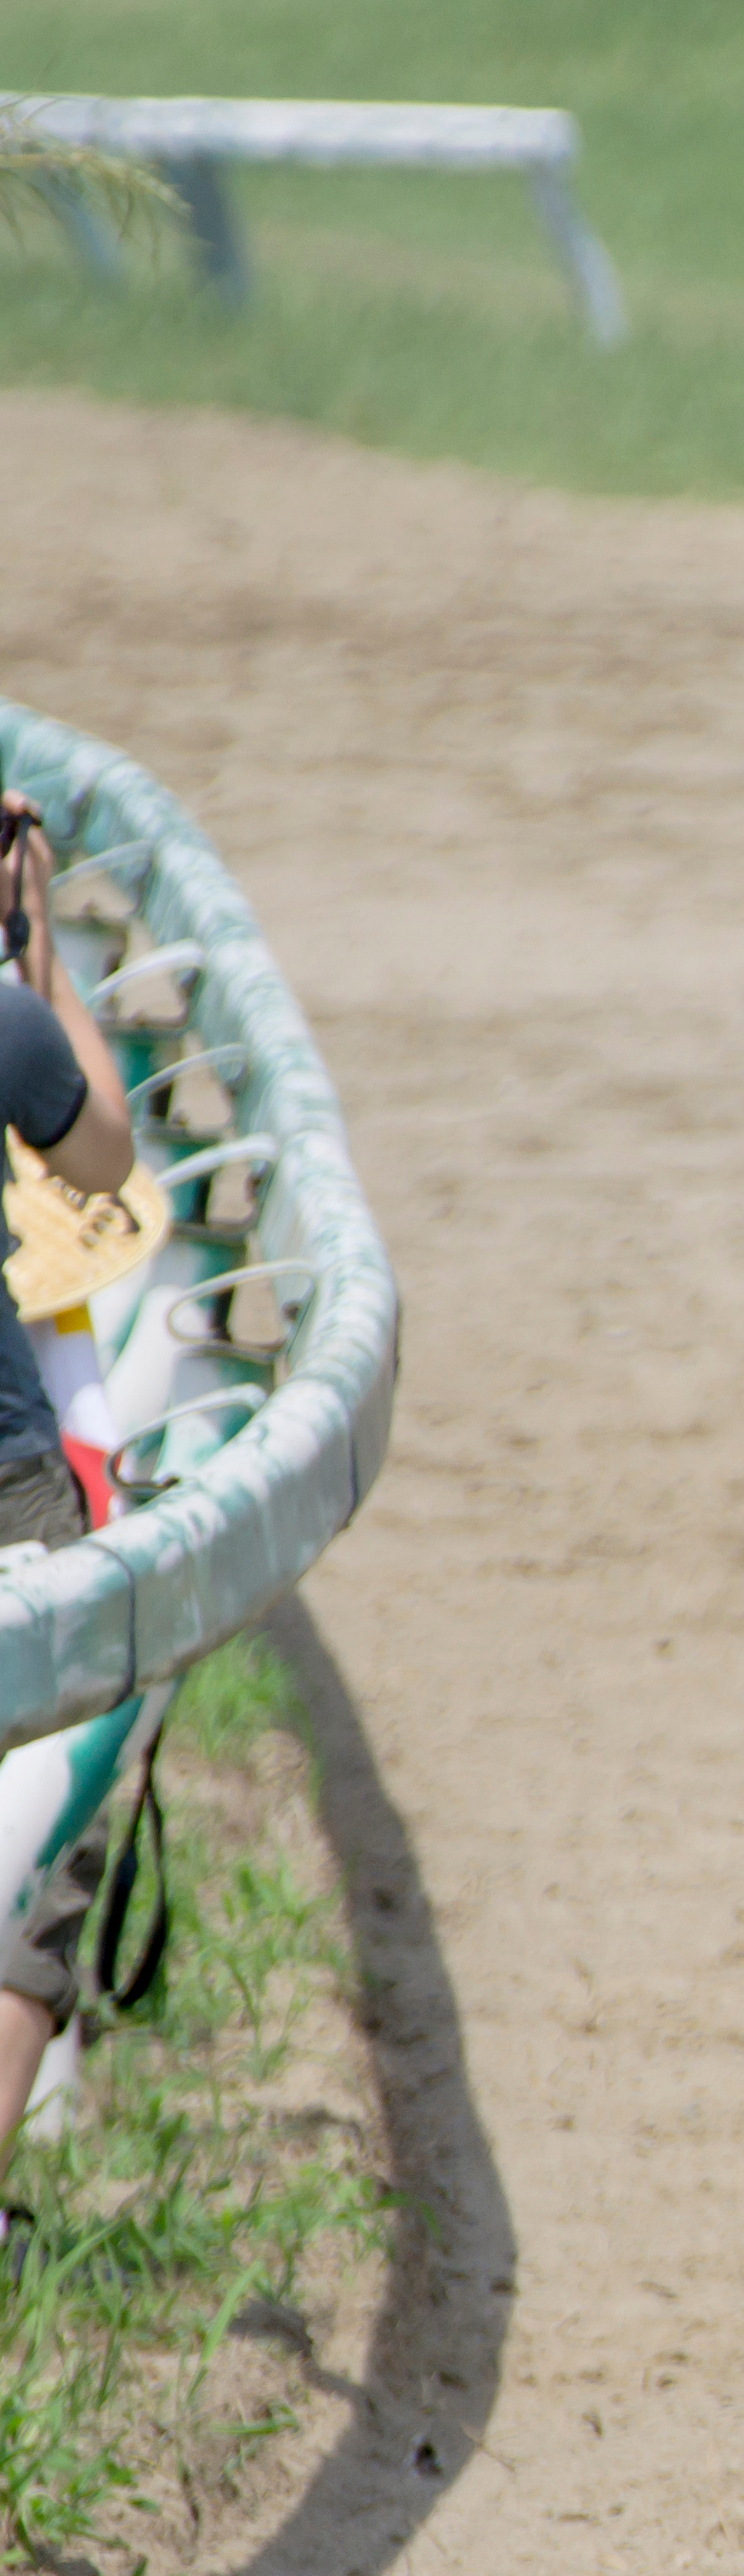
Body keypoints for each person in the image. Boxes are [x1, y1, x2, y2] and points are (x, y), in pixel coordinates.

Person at [0, 788, 142, 2268]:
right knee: (24, 1849)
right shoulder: (5, 1013)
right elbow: (96, 1159)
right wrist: (35, 956)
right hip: (8, 1495)